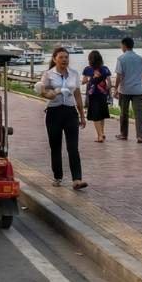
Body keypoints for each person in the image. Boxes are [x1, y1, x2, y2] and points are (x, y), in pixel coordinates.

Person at [36, 47, 87, 189]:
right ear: (54, 59)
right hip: (54, 112)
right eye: (61, 57)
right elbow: (42, 92)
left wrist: (82, 115)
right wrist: (50, 94)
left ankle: (77, 179)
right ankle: (58, 176)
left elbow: (77, 94)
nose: (64, 60)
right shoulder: (48, 74)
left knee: (73, 147)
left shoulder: (74, 74)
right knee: (55, 146)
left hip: (70, 112)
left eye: (66, 57)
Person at [113, 37, 142, 143]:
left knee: (124, 112)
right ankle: (140, 136)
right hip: (138, 90)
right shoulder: (140, 58)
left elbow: (119, 76)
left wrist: (115, 89)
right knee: (139, 113)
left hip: (125, 90)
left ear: (124, 46)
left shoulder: (121, 59)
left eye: (121, 45)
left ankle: (124, 134)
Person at [82, 50, 112, 143]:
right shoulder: (105, 68)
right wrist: (107, 92)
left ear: (90, 59)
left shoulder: (87, 69)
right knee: (102, 114)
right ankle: (102, 133)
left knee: (95, 115)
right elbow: (109, 83)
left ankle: (99, 136)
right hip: (103, 94)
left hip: (92, 94)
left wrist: (91, 79)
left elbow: (83, 81)